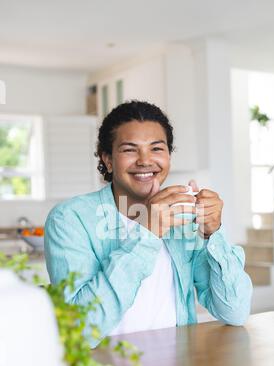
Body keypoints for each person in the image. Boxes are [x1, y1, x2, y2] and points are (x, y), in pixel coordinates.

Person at [45, 100, 252, 346]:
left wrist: (213, 233)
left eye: (156, 148)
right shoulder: (70, 219)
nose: (145, 160)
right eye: (130, 149)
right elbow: (81, 329)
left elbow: (235, 311)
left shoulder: (183, 219)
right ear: (108, 159)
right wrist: (148, 232)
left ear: (168, 156)